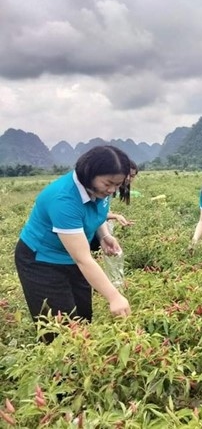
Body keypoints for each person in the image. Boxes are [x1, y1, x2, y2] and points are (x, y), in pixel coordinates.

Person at [14, 145, 132, 342]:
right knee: (60, 330)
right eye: (108, 183)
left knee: (83, 316)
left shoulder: (99, 191)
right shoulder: (63, 199)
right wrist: (114, 296)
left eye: (118, 185)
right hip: (41, 261)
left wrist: (103, 236)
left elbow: (96, 213)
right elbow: (83, 259)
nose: (112, 190)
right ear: (89, 174)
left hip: (70, 255)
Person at [89, 160, 138, 252]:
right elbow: (93, 213)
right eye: (126, 174)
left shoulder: (110, 190)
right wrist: (116, 216)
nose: (128, 178)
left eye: (132, 176)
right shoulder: (100, 190)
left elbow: (102, 212)